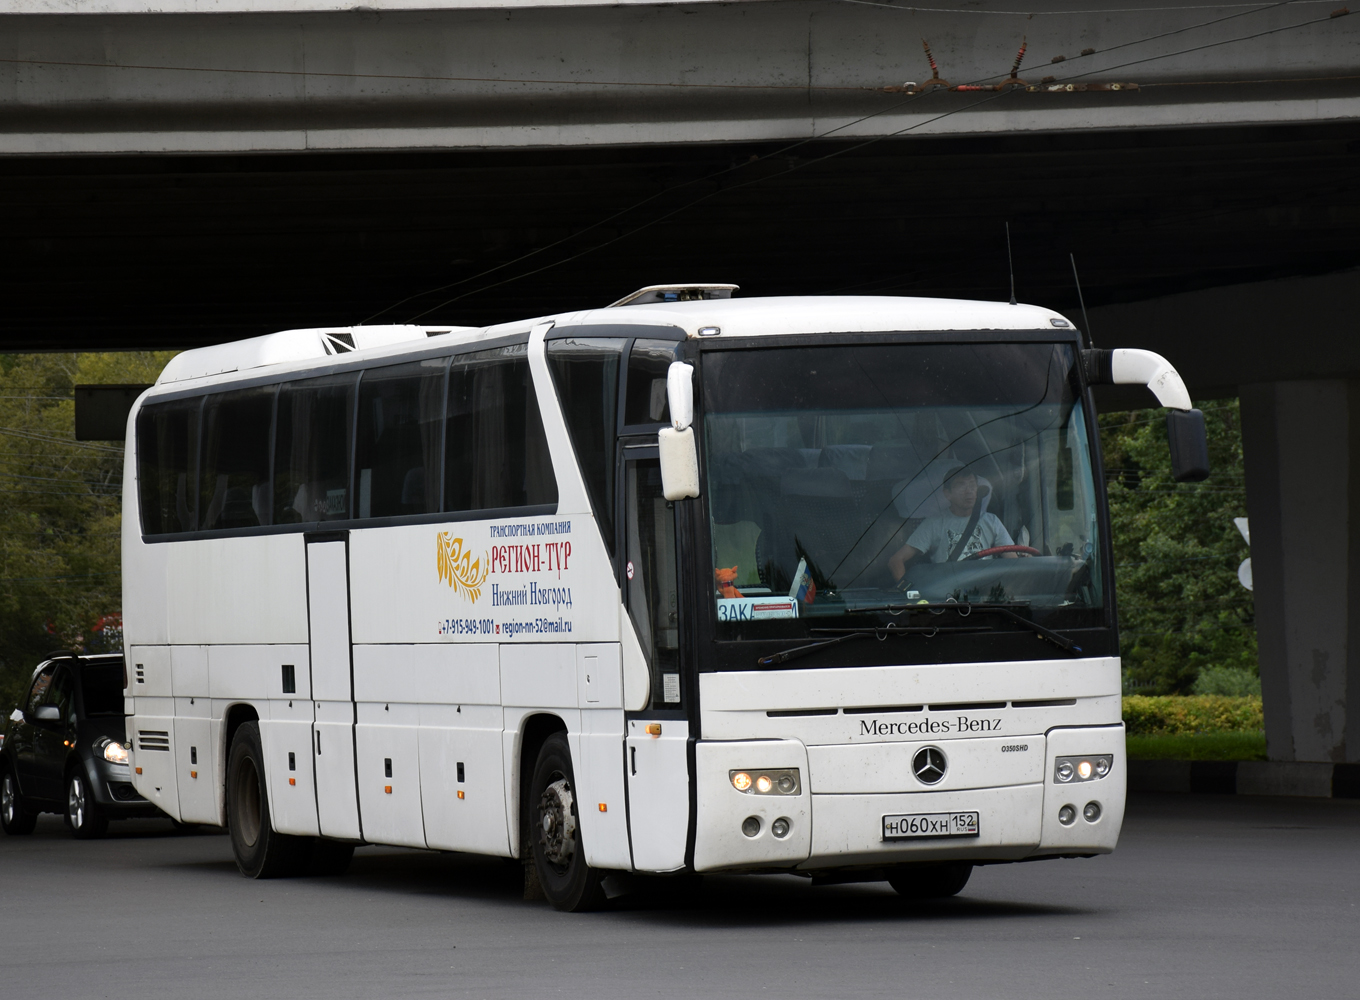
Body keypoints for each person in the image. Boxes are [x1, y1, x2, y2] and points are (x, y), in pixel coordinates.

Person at [888, 465, 1018, 581]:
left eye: (972, 485)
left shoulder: (992, 521)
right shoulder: (934, 523)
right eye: (961, 485)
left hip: (982, 594)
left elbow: (1013, 562)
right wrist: (907, 594)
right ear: (947, 494)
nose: (969, 491)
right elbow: (896, 560)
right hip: (947, 595)